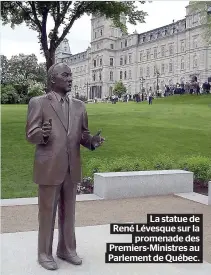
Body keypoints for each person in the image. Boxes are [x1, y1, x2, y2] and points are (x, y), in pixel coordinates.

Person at [25, 63, 105, 271]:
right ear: (53, 79)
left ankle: (67, 249)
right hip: (49, 167)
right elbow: (30, 134)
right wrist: (41, 133)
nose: (70, 78)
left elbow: (83, 135)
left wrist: (92, 142)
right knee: (47, 213)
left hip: (72, 168)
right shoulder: (38, 103)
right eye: (65, 75)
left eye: (71, 75)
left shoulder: (79, 106)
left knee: (69, 212)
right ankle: (44, 253)